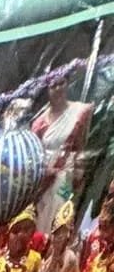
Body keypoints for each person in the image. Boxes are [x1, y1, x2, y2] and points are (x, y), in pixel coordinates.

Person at [32, 78, 92, 237]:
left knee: (58, 220)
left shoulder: (80, 112)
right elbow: (33, 156)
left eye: (61, 83)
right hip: (42, 181)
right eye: (53, 85)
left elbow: (81, 147)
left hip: (65, 178)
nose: (58, 88)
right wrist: (45, 172)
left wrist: (78, 174)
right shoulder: (39, 123)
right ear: (47, 89)